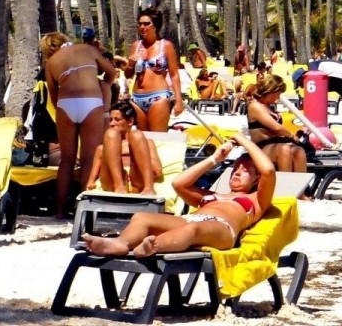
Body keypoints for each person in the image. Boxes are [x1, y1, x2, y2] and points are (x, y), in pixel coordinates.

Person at [84, 131, 276, 257]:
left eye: (245, 170)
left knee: (193, 230)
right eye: (235, 168)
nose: (237, 172)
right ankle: (119, 243)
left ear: (256, 179)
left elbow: (268, 170)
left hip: (222, 230)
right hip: (191, 219)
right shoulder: (210, 195)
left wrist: (243, 141)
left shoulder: (256, 200)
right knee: (142, 217)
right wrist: (214, 158)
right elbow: (178, 183)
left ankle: (152, 247)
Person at [43, 30, 118, 215]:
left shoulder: (51, 63)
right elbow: (112, 71)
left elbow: (53, 96)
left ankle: (60, 210)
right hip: (91, 102)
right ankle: (83, 211)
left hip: (66, 105)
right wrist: (104, 86)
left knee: (67, 160)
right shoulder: (87, 49)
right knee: (88, 160)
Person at [128, 8, 183, 132]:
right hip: (137, 98)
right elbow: (128, 74)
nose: (142, 27)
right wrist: (130, 64)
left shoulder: (166, 46)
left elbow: (174, 75)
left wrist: (179, 101)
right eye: (140, 24)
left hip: (158, 97)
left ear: (155, 26)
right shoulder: (136, 46)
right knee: (142, 140)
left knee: (157, 139)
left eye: (147, 24)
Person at [246, 73, 312, 174]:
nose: (278, 97)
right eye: (278, 94)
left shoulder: (268, 106)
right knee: (284, 149)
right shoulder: (255, 106)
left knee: (299, 151)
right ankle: (285, 186)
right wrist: (292, 136)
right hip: (261, 146)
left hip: (276, 144)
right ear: (270, 91)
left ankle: (300, 187)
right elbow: (277, 128)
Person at [94, 98, 161, 194]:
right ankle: (119, 185)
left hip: (137, 181)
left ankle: (148, 187)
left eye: (117, 120)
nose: (112, 123)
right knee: (111, 134)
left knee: (136, 134)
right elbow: (95, 173)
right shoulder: (105, 145)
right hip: (111, 182)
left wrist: (134, 156)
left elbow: (157, 170)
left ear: (130, 121)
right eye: (110, 120)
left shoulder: (146, 143)